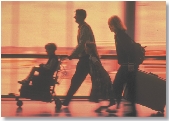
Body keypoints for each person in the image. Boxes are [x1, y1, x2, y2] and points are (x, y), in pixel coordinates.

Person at [62, 9, 97, 106]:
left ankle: (66, 101)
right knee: (96, 78)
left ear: (81, 16)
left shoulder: (84, 28)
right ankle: (67, 101)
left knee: (77, 79)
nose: (74, 17)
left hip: (86, 58)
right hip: (88, 58)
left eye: (76, 15)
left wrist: (72, 55)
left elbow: (82, 44)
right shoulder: (83, 27)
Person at [107, 15, 139, 116]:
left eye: (110, 25)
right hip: (129, 65)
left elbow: (129, 50)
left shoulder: (120, 35)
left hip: (127, 65)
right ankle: (132, 110)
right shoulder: (121, 34)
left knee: (117, 85)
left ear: (114, 25)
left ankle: (116, 106)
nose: (109, 27)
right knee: (130, 86)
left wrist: (130, 65)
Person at [85, 42, 115, 112]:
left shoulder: (92, 57)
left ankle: (102, 106)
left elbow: (98, 65)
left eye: (86, 47)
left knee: (99, 91)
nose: (85, 49)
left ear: (90, 49)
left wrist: (102, 74)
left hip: (99, 77)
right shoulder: (92, 56)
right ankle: (108, 104)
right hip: (99, 76)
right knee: (102, 91)